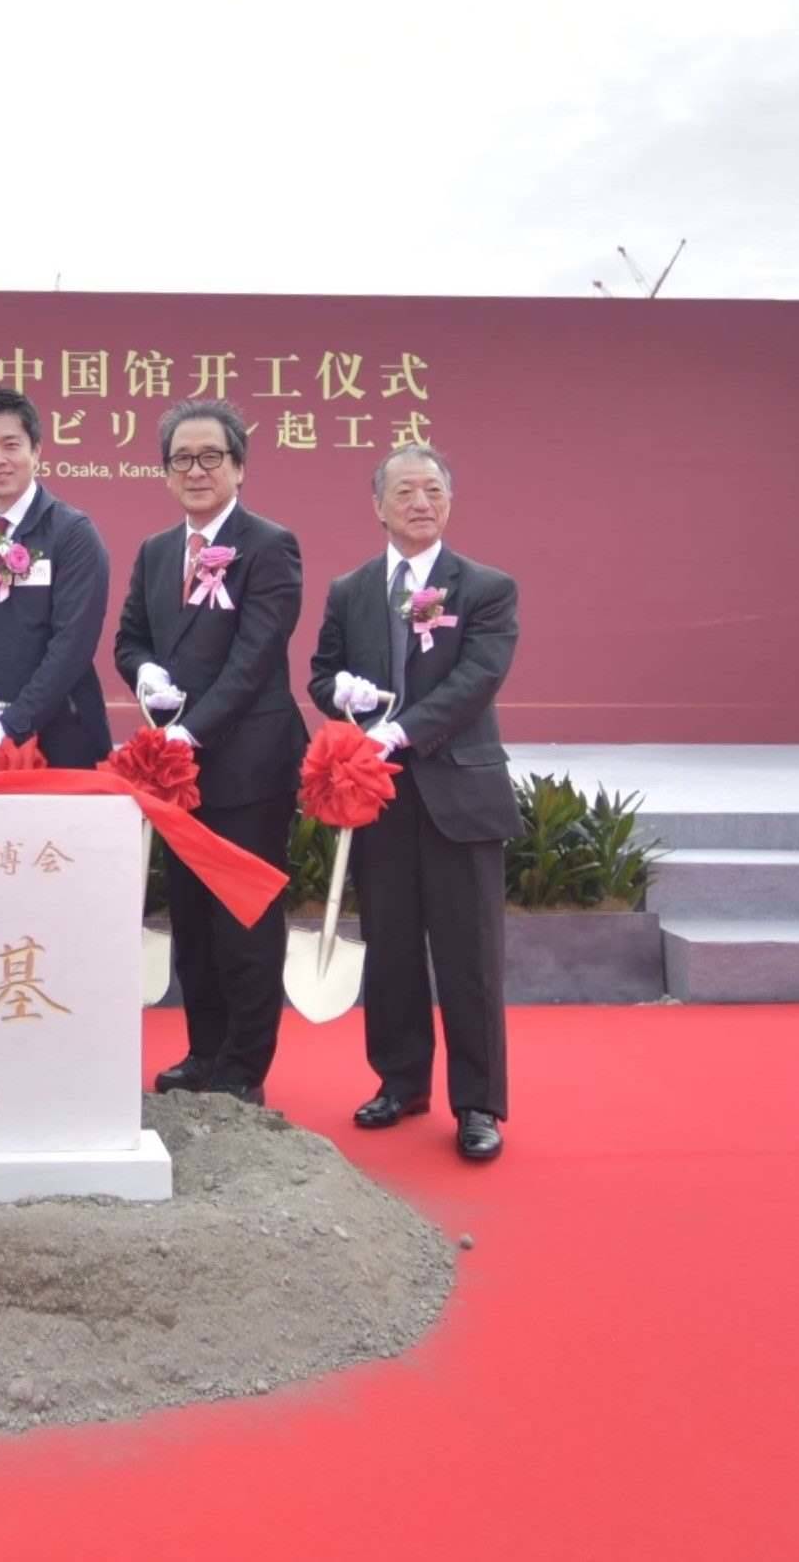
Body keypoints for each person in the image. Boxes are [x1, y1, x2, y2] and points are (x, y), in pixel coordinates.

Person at [306, 443, 521, 1162]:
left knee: (470, 956)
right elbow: (322, 673)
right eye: (405, 491)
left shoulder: (485, 587)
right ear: (379, 505)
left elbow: (477, 679)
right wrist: (341, 693)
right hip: (380, 797)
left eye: (433, 489)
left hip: (459, 792)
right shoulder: (350, 589)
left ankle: (478, 1103)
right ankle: (399, 1082)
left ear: (449, 502)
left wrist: (400, 729)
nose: (420, 502)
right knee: (391, 948)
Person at [114, 402, 307, 1106]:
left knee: (244, 919)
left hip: (246, 764)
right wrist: (144, 673)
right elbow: (129, 637)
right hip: (179, 777)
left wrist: (189, 731)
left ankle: (243, 1067)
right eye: (181, 459)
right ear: (166, 473)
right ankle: (202, 1051)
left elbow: (255, 659)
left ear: (239, 467)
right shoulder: (157, 550)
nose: (196, 471)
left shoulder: (270, 545)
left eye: (210, 457)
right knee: (192, 919)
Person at [0, 388, 111, 770]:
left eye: (11, 445)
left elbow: (72, 644)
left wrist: (14, 724)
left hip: (62, 736)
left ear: (36, 450)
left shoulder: (72, 533)